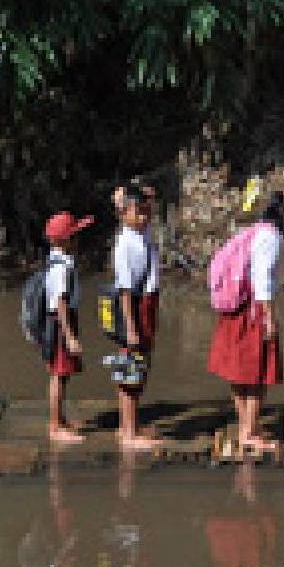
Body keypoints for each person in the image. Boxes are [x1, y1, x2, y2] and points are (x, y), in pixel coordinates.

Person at [207, 192, 284, 453]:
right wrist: (270, 317)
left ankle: (246, 426)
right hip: (252, 310)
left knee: (237, 371)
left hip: (235, 308)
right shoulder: (270, 238)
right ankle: (249, 432)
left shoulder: (254, 231)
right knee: (258, 373)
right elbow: (262, 280)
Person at [111, 185, 162, 450]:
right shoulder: (126, 244)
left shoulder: (141, 232)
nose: (145, 216)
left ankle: (127, 426)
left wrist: (141, 196)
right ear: (124, 213)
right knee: (132, 368)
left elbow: (147, 203)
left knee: (138, 368)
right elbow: (125, 291)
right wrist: (131, 327)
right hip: (134, 308)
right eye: (139, 212)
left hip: (147, 304)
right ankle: (129, 433)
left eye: (147, 211)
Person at [43, 210, 94, 444]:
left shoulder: (59, 261)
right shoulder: (60, 268)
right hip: (60, 323)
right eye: (74, 235)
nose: (78, 240)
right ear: (65, 240)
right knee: (59, 375)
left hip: (60, 322)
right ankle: (55, 427)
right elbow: (60, 303)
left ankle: (59, 419)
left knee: (62, 375)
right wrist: (70, 336)